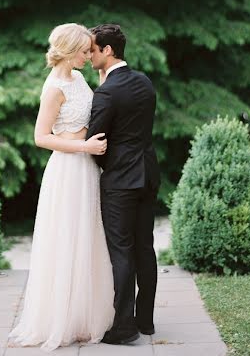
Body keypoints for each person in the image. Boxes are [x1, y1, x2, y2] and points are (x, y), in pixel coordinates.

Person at [8, 23, 114, 352]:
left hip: (87, 169)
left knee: (89, 237)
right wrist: (84, 148)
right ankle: (61, 320)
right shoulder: (54, 87)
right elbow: (41, 137)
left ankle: (86, 316)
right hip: (68, 169)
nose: (88, 55)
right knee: (67, 237)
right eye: (84, 51)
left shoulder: (80, 78)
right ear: (68, 52)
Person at [86, 23, 160, 345]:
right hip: (148, 174)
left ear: (108, 51)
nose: (89, 55)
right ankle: (146, 320)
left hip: (120, 180)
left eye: (92, 50)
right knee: (145, 246)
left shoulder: (106, 92)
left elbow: (96, 141)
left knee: (122, 251)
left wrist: (107, 167)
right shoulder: (144, 81)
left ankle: (123, 326)